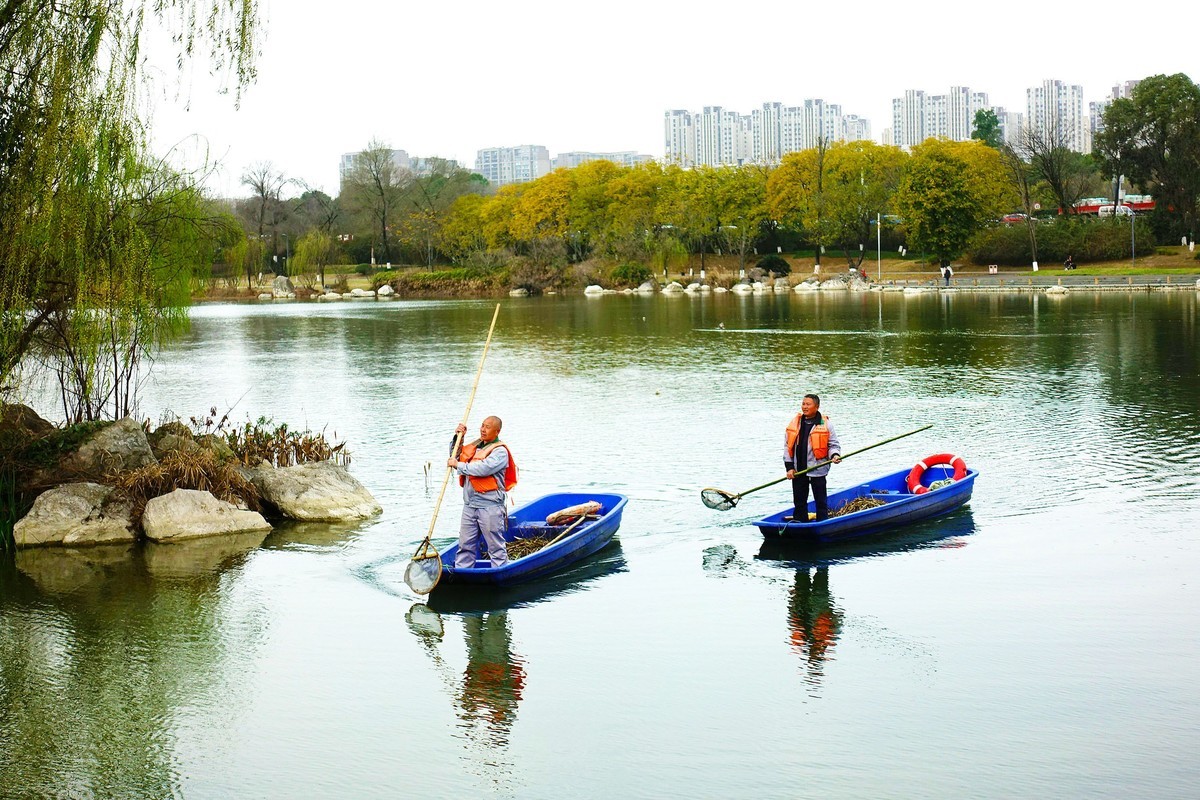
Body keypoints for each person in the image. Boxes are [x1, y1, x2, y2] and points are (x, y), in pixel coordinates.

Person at [447, 416, 518, 568]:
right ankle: (462, 573)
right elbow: (456, 456)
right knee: (465, 544)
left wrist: (457, 465)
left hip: (490, 506)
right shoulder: (476, 446)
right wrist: (458, 438)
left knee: (495, 546)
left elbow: (483, 468)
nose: (483, 429)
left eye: (487, 427)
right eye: (482, 425)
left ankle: (500, 572)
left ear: (497, 431)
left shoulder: (500, 452)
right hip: (470, 505)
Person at [784, 394, 842, 522]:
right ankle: (800, 523)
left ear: (817, 407)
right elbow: (787, 447)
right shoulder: (795, 424)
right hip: (799, 470)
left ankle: (822, 523)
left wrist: (835, 455)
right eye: (803, 404)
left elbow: (833, 445)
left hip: (818, 469)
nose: (804, 407)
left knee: (820, 501)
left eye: (808, 404)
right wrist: (789, 468)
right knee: (799, 501)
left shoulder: (826, 424)